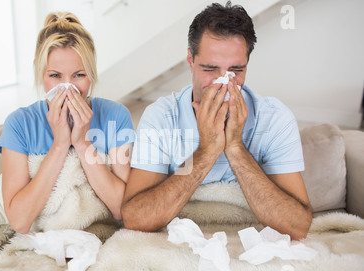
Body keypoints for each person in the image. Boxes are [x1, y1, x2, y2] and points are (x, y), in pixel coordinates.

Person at [121, 2, 312, 240]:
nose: (223, 82)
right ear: (190, 60)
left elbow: (298, 226)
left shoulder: (275, 118)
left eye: (236, 70)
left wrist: (234, 146)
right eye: (210, 68)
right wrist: (207, 151)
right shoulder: (160, 117)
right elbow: (135, 218)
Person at [0, 12, 134, 234]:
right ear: (39, 71)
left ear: (92, 71)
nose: (68, 88)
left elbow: (122, 209)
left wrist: (82, 143)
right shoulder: (19, 124)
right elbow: (20, 222)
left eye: (79, 75)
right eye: (55, 76)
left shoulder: (116, 116)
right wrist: (60, 145)